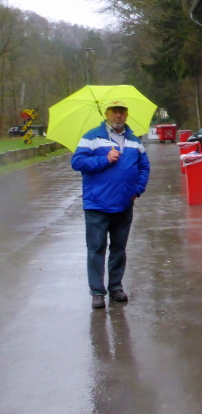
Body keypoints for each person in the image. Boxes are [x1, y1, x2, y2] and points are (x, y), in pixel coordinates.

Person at [72, 102, 151, 309]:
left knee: (119, 248)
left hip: (124, 204)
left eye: (122, 112)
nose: (118, 115)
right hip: (97, 204)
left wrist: (137, 190)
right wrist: (104, 159)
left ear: (127, 115)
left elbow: (144, 166)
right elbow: (77, 162)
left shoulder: (134, 140)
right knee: (96, 248)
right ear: (106, 114)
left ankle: (116, 286)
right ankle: (97, 292)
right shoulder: (92, 137)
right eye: (114, 112)